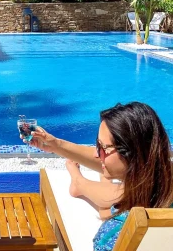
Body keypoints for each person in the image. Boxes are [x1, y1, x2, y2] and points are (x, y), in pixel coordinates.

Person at [22, 102, 173, 250]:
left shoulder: (115, 232)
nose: (96, 153)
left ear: (130, 154)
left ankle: (79, 182)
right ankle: (81, 182)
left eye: (102, 147)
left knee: (108, 206)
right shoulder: (163, 180)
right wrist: (55, 144)